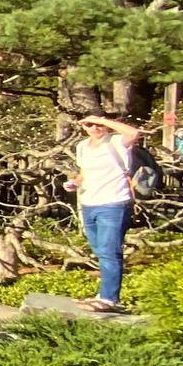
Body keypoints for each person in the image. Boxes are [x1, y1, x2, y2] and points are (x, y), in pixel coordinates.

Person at [64, 115, 144, 312]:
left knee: (109, 251)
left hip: (113, 203)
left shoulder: (117, 141)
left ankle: (110, 298)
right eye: (89, 124)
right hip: (89, 202)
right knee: (100, 250)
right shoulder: (82, 146)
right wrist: (75, 182)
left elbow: (134, 133)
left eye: (98, 124)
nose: (94, 128)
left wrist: (103, 121)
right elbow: (85, 173)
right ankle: (102, 294)